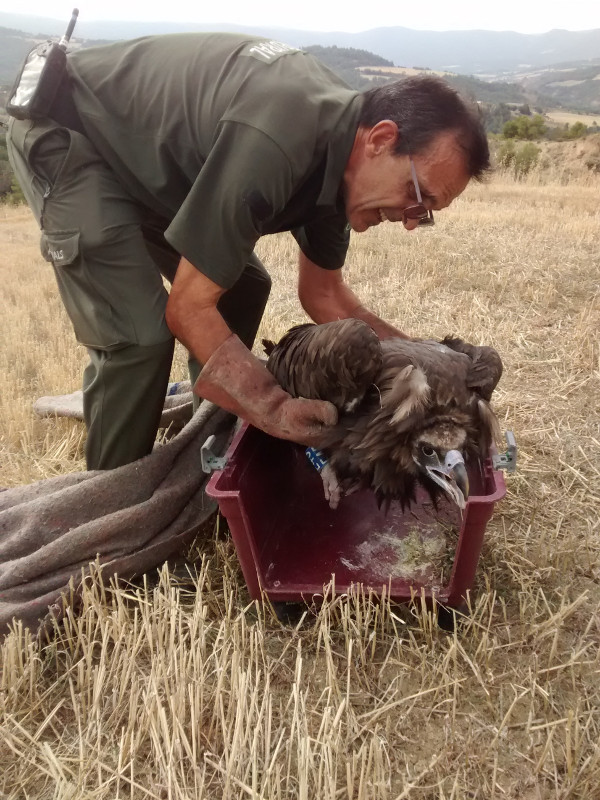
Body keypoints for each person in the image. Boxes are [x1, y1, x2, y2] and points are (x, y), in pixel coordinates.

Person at [7, 33, 490, 470]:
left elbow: (325, 295)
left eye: (426, 213)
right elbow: (188, 310)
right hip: (70, 132)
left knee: (245, 286)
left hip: (147, 166)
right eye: (417, 194)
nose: (411, 219)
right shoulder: (279, 139)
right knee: (139, 337)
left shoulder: (342, 165)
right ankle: (115, 501)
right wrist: (272, 407)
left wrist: (424, 366)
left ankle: (207, 444)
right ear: (381, 140)